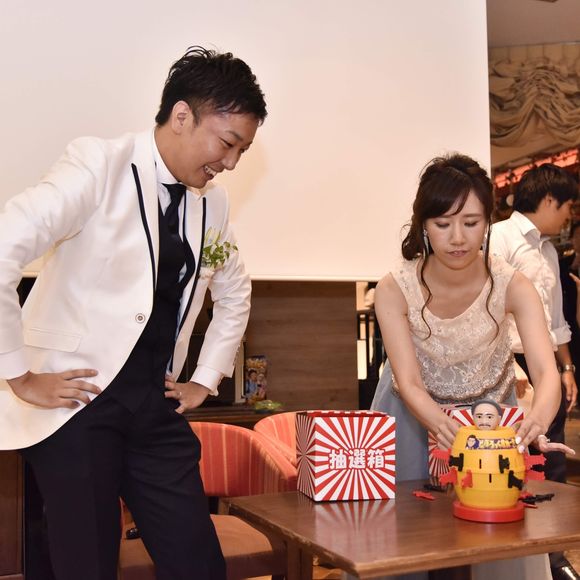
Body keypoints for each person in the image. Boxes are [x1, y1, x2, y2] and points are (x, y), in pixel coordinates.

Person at [0, 46, 267, 580]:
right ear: (182, 115)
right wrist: (19, 375)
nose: (232, 163)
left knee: (197, 563)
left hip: (155, 409)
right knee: (87, 566)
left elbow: (235, 292)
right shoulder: (97, 164)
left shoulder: (212, 203)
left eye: (243, 150)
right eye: (228, 143)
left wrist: (205, 379)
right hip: (79, 407)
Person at [370, 153, 573, 580]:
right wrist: (440, 425)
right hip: (411, 415)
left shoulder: (512, 284)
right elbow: (408, 381)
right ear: (423, 225)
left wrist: (538, 417)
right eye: (443, 224)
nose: (458, 238)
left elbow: (545, 370)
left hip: (491, 416)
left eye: (471, 222)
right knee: (405, 538)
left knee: (498, 533)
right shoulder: (394, 287)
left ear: (488, 222)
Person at [489, 163, 579, 580]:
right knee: (516, 460)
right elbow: (488, 307)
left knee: (552, 462)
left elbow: (556, 320)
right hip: (509, 365)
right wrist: (509, 365)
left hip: (545, 366)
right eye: (568, 206)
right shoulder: (500, 237)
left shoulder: (548, 251)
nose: (569, 216)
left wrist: (566, 368)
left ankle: (553, 557)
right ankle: (516, 556)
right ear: (548, 199)